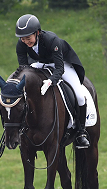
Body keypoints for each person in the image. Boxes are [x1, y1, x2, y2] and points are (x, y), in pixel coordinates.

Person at [15, 14, 90, 149]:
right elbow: (23, 68)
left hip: (62, 64)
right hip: (40, 63)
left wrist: (51, 81)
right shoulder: (21, 45)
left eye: (28, 38)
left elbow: (59, 68)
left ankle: (81, 132)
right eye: (23, 39)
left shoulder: (51, 40)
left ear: (37, 33)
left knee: (79, 95)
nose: (26, 41)